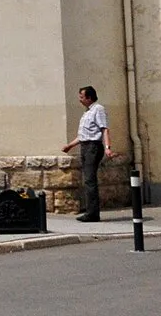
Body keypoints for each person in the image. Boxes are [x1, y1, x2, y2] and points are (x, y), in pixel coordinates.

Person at [61, 85, 113, 221]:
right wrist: (70, 146)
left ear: (89, 97)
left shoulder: (98, 109)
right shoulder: (86, 113)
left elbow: (104, 129)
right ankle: (90, 211)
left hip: (93, 147)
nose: (80, 100)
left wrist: (107, 147)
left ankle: (93, 213)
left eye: (82, 97)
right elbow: (83, 135)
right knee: (88, 179)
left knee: (90, 180)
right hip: (85, 146)